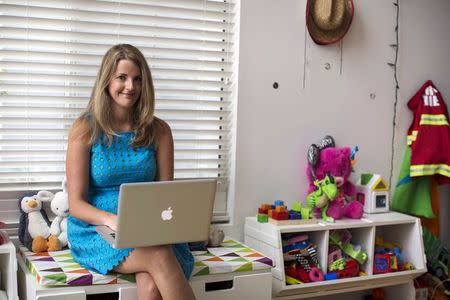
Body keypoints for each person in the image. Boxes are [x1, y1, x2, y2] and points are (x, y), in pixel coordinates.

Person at [66, 44, 196, 300]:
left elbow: (165, 195)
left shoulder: (159, 131)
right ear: (106, 81)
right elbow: (76, 204)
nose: (131, 87)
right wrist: (109, 219)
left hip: (150, 228)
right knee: (159, 256)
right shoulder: (85, 128)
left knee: (151, 285)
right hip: (98, 230)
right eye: (122, 78)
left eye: (138, 79)